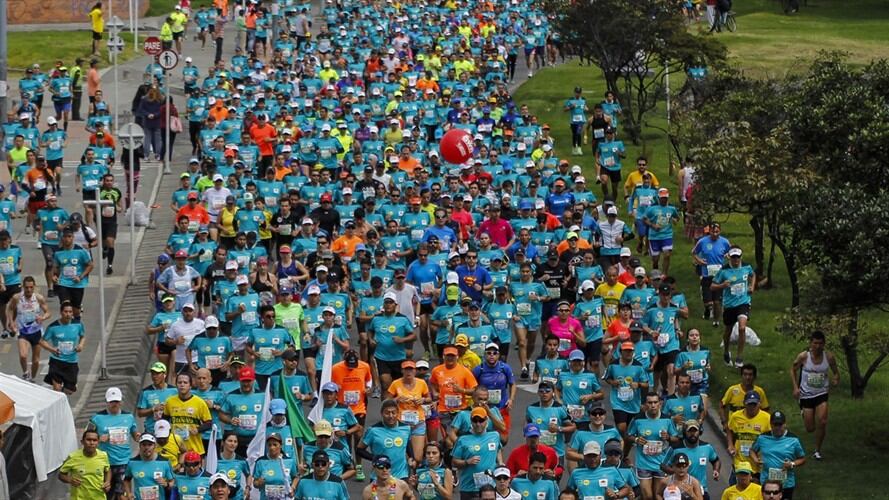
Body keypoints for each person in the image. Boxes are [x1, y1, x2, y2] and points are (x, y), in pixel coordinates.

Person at [790, 330, 839, 460]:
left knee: (822, 421)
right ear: (811, 343)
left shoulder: (828, 357)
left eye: (820, 343)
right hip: (806, 394)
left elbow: (835, 371)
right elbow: (793, 369)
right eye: (815, 343)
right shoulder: (803, 356)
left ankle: (817, 450)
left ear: (824, 344)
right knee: (810, 428)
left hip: (822, 393)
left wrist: (836, 378)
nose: (817, 346)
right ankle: (803, 412)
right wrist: (795, 387)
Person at [627, 392, 681, 500]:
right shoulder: (638, 419)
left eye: (655, 402)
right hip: (643, 463)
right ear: (645, 404)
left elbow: (677, 438)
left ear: (660, 404)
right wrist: (636, 439)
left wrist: (668, 438)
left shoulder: (667, 419)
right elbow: (628, 436)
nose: (653, 405)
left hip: (661, 464)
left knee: (658, 496)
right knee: (648, 496)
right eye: (650, 402)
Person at [711, 246, 755, 367]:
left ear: (741, 257)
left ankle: (739, 357)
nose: (736, 260)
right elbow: (712, 286)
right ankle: (726, 351)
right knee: (728, 330)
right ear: (729, 257)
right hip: (730, 305)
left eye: (738, 257)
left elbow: (753, 275)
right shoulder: (723, 271)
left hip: (743, 302)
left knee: (742, 328)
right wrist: (722, 285)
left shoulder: (746, 267)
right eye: (733, 257)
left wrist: (752, 286)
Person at [750, 411, 806, 499]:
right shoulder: (762, 438)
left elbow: (802, 459)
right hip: (767, 483)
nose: (777, 427)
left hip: (786, 483)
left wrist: (791, 464)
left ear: (785, 424)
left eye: (780, 424)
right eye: (775, 425)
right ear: (771, 425)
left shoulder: (793, 440)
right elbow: (752, 450)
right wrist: (755, 459)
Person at [6, 275, 51, 380]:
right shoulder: (17, 298)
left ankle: (32, 379)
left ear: (34, 286)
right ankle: (25, 372)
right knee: (23, 355)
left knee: (35, 360)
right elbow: (10, 309)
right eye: (26, 287)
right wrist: (11, 322)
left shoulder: (38, 298)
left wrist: (43, 317)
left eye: (31, 287)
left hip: (36, 331)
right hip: (23, 331)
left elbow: (48, 312)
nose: (29, 290)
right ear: (23, 287)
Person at [452, 406, 503, 500]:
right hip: (469, 488)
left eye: (481, 420)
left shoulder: (494, 436)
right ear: (471, 421)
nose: (478, 424)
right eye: (475, 421)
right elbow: (454, 462)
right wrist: (467, 462)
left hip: (489, 488)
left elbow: (498, 449)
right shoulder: (463, 440)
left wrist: (500, 462)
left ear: (486, 420)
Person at [664, 420, 721, 500]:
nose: (692, 434)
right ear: (684, 432)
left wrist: (716, 470)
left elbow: (716, 460)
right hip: (679, 490)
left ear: (699, 431)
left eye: (695, 431)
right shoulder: (675, 448)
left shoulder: (707, 447)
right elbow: (663, 465)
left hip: (702, 489)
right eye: (689, 431)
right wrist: (677, 472)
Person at [358, 400, 413, 481]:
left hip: (401, 476)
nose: (391, 416)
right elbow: (359, 449)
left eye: (393, 413)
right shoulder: (373, 430)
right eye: (387, 413)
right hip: (379, 477)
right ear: (381, 414)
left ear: (398, 413)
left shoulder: (406, 428)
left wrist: (411, 457)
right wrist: (375, 458)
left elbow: (407, 443)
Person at [163, 372, 212, 455]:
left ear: (190, 385)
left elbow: (209, 423)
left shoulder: (199, 402)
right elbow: (164, 421)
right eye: (179, 382)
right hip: (175, 447)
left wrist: (198, 429)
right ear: (176, 385)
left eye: (185, 383)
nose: (182, 385)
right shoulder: (169, 401)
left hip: (194, 448)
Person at [726, 391, 771, 481]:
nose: (752, 407)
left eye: (754, 404)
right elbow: (729, 429)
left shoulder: (767, 418)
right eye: (749, 404)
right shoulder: (736, 416)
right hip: (740, 461)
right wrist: (730, 445)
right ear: (744, 404)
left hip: (757, 463)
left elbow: (771, 438)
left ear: (759, 404)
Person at [567, 441, 631, 499]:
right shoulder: (576, 472)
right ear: (584, 455)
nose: (592, 459)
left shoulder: (611, 470)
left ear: (600, 455)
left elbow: (626, 489)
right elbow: (568, 492)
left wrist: (616, 494)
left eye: (594, 456)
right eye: (589, 456)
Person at [58, 428, 110, 500]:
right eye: (88, 440)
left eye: (94, 440)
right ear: (82, 442)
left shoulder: (103, 455)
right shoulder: (73, 457)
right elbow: (61, 475)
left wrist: (107, 481)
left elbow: (108, 470)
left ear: (98, 443)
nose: (91, 443)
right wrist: (70, 480)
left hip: (99, 497)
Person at [123, 433, 176, 500]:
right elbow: (126, 480)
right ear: (140, 446)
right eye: (144, 445)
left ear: (155, 446)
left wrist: (166, 484)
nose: (147, 447)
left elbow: (173, 482)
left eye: (150, 445)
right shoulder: (132, 462)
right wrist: (129, 493)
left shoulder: (164, 462)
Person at [719, 363, 769, 432]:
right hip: (735, 427)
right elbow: (721, 405)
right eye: (745, 374)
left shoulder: (759, 392)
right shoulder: (733, 390)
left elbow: (766, 409)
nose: (747, 377)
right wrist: (724, 422)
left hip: (754, 429)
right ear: (741, 376)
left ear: (754, 377)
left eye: (750, 375)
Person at [97, 173, 122, 275]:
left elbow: (120, 206)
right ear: (103, 181)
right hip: (101, 221)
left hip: (112, 221)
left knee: (110, 241)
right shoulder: (99, 191)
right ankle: (105, 248)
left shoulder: (116, 192)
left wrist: (118, 208)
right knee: (104, 242)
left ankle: (110, 265)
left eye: (111, 180)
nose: (109, 182)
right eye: (107, 180)